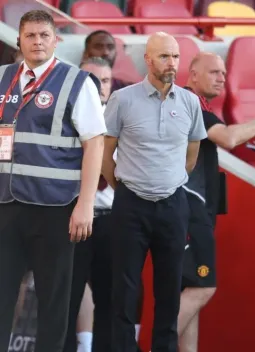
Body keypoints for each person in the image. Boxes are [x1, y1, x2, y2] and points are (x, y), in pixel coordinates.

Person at [179, 52, 255, 352]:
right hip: (189, 211)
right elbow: (229, 139)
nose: (222, 77)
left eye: (223, 72)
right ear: (193, 75)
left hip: (191, 211)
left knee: (189, 288)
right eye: (214, 72)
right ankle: (152, 343)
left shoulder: (197, 105)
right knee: (202, 287)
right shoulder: (190, 104)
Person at [0, 10, 106, 352]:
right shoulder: (2, 79)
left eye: (44, 35)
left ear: (56, 40)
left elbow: (95, 144)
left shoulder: (77, 81)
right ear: (19, 40)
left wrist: (85, 205)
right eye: (30, 35)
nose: (37, 42)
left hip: (56, 208)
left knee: (54, 301)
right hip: (5, 206)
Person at [102, 32, 207, 352]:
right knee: (125, 288)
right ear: (147, 60)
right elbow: (106, 155)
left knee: (169, 287)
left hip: (173, 205)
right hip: (130, 205)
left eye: (175, 56)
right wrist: (124, 188)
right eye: (164, 56)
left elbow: (191, 158)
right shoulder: (123, 99)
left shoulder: (190, 102)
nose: (171, 63)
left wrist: (168, 182)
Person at [63, 57, 114, 352]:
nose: (98, 87)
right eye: (92, 80)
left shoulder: (121, 120)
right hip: (73, 215)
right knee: (67, 295)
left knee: (111, 296)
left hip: (111, 219)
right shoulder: (67, 118)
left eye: (105, 81)